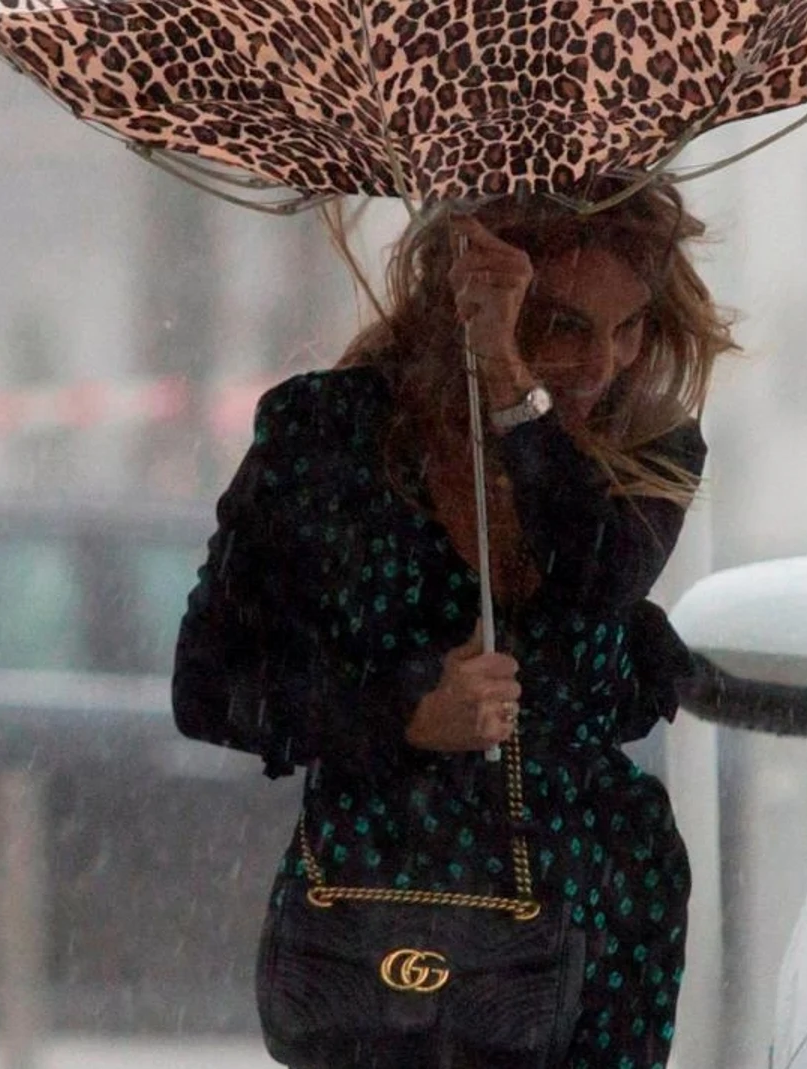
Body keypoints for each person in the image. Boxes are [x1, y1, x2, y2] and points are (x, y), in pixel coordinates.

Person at [173, 178, 735, 1068]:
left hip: (602, 927)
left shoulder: (647, 446)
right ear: (460, 295)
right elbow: (208, 683)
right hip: (392, 911)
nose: (604, 364)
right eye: (559, 325)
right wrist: (404, 712)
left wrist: (515, 391)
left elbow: (593, 579)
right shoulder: (328, 437)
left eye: (626, 326)